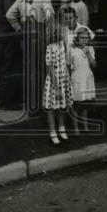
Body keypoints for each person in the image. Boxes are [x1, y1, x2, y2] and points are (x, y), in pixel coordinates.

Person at [6, 0, 55, 114]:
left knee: (29, 67)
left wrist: (18, 28)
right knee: (41, 68)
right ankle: (40, 103)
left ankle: (30, 102)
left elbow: (9, 14)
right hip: (38, 33)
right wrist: (50, 30)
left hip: (25, 33)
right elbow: (49, 14)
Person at [43, 10, 73, 145]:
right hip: (54, 82)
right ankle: (52, 131)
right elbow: (50, 69)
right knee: (51, 108)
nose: (58, 33)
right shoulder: (50, 48)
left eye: (59, 31)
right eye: (55, 32)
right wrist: (56, 88)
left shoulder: (62, 45)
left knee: (62, 106)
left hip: (63, 79)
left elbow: (66, 61)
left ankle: (62, 128)